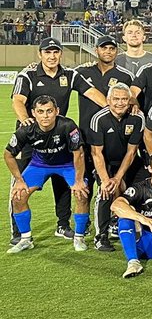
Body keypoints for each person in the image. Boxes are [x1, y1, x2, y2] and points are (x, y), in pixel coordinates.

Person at [10, 37, 107, 242]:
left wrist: (113, 108)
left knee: (63, 182)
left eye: (55, 52)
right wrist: (25, 120)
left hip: (59, 136)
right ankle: (18, 233)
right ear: (40, 54)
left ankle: (62, 225)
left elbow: (91, 93)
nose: (52, 56)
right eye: (47, 52)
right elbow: (18, 100)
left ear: (60, 54)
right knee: (20, 184)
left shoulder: (70, 74)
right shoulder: (27, 74)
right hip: (31, 138)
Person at [4, 96, 90, 253]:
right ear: (33, 113)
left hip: (67, 165)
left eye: (49, 111)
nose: (45, 116)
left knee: (82, 194)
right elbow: (8, 154)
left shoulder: (68, 125)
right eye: (41, 112)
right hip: (39, 165)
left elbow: (79, 153)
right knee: (18, 196)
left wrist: (78, 180)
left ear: (56, 111)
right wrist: (19, 180)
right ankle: (25, 239)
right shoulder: (26, 129)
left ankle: (79, 238)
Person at [85, 84, 145, 252]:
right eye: (116, 99)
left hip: (129, 161)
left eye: (124, 99)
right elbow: (96, 153)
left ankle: (144, 228)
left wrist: (118, 178)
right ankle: (101, 236)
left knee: (145, 188)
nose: (120, 103)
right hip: (105, 162)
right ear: (109, 100)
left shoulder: (137, 118)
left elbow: (132, 152)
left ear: (130, 101)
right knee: (106, 191)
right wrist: (106, 180)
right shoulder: (99, 119)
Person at [75, 35, 135, 138]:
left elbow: (133, 102)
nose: (108, 51)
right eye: (104, 48)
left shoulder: (126, 76)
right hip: (86, 131)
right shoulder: (82, 72)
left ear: (117, 51)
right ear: (96, 50)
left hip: (114, 132)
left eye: (112, 48)